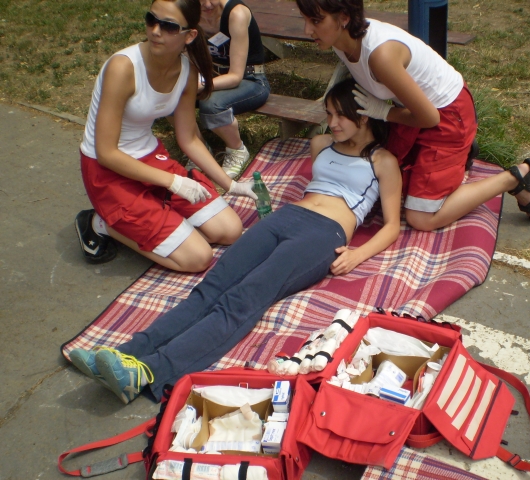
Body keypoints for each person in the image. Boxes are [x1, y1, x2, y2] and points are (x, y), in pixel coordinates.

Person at [68, 78, 402, 404]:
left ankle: (150, 372)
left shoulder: (382, 162)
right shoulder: (321, 144)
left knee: (243, 298)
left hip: (324, 233)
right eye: (329, 114)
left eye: (341, 115)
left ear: (364, 116)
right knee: (210, 288)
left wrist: (357, 255)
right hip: (287, 216)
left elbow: (390, 226)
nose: (332, 122)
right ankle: (126, 354)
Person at [296, 0, 530, 232]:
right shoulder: (341, 41)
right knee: (383, 177)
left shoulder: (380, 55)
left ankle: (514, 178)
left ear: (344, 18)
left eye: (316, 21)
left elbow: (430, 119)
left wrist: (383, 112)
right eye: (305, 19)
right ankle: (459, 156)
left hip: (448, 116)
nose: (307, 30)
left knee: (420, 217)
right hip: (413, 108)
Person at [74, 0, 258, 272]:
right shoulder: (123, 67)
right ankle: (101, 223)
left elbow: (189, 139)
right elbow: (106, 153)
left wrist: (230, 185)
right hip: (108, 170)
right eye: (151, 20)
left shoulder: (187, 70)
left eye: (169, 26)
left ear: (190, 35)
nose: (155, 31)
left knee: (230, 231)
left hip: (150, 157)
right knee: (198, 258)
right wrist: (172, 182)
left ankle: (158, 213)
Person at [195, 0, 270, 180]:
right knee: (171, 95)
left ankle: (237, 149)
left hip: (250, 79)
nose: (207, 5)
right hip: (211, 76)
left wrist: (199, 86)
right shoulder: (190, 13)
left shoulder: (236, 14)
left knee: (211, 104)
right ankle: (197, 147)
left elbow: (235, 76)